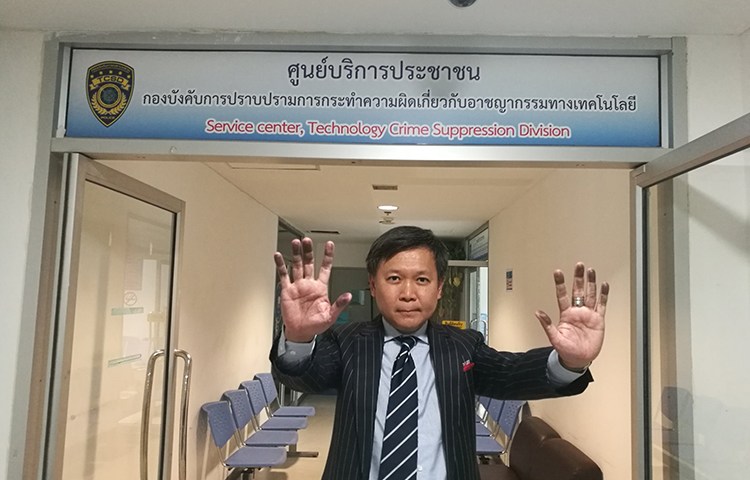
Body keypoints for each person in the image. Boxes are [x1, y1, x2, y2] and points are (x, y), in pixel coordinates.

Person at [270, 226, 608, 480]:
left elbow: (512, 372)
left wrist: (571, 361)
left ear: (439, 287)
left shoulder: (463, 345)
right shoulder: (347, 341)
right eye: (393, 278)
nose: (407, 293)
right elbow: (304, 375)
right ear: (373, 285)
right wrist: (298, 337)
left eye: (421, 279)